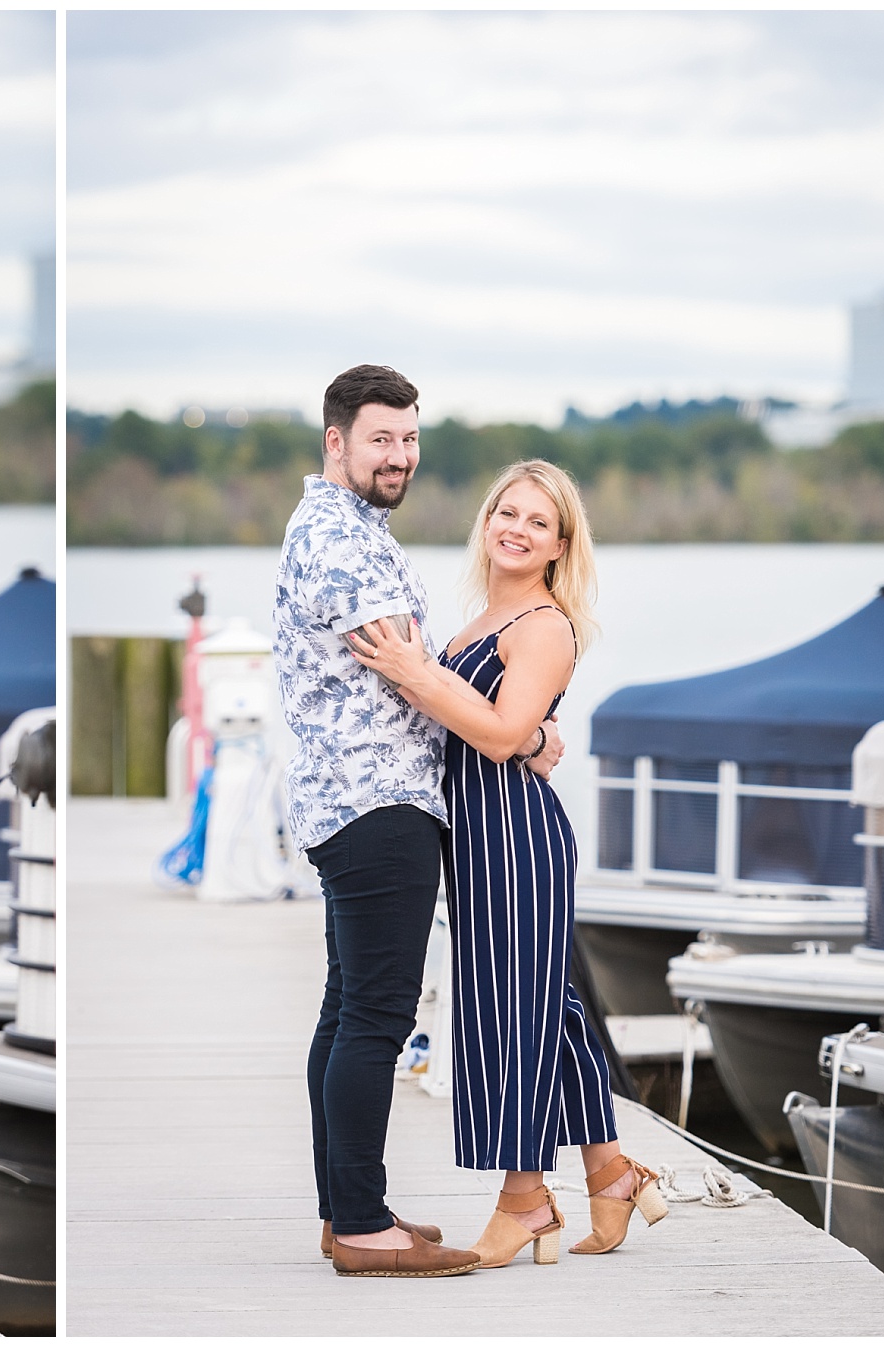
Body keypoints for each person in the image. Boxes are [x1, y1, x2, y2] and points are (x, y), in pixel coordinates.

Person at [273, 364, 561, 1278]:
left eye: (408, 438)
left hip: (350, 800)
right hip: (377, 805)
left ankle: (348, 1208)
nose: (398, 455)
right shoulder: (343, 541)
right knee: (376, 1017)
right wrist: (524, 739)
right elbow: (415, 673)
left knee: (347, 1010)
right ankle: (360, 1226)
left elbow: (420, 667)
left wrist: (526, 731)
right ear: (337, 443)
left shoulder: (344, 527)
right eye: (379, 439)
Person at [352, 458, 668, 1268]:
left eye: (538, 521)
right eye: (507, 511)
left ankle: (524, 1199)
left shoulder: (545, 624)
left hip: (516, 838)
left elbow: (495, 732)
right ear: (486, 517)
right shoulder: (474, 621)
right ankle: (611, 1172)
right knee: (546, 1007)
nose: (517, 529)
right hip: (477, 834)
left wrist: (421, 674)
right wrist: (513, 726)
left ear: (562, 543)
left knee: (511, 1016)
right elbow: (504, 730)